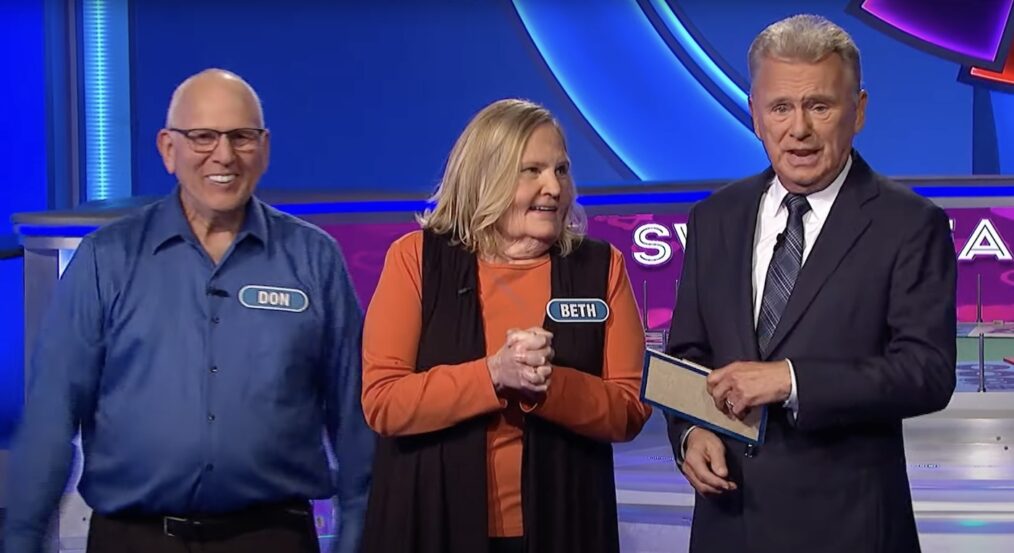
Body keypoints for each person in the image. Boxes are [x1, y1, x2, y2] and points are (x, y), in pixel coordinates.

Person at [3, 69, 373, 553]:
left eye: (241, 136)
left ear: (263, 148)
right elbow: (51, 418)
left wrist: (359, 538)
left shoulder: (313, 259)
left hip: (271, 537)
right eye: (202, 136)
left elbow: (356, 422)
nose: (224, 155)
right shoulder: (106, 259)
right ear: (167, 148)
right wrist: (23, 539)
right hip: (133, 538)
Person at [665, 15, 956, 553]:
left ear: (859, 111)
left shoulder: (910, 225)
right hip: (729, 526)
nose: (798, 129)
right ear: (755, 116)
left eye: (819, 106)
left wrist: (791, 380)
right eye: (780, 108)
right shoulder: (715, 218)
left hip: (850, 530)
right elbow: (688, 353)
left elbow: (928, 372)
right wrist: (691, 432)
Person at [359, 98, 652, 553]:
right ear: (485, 177)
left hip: (566, 523)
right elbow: (383, 401)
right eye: (531, 170)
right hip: (432, 523)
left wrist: (547, 385)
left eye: (561, 169)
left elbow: (630, 409)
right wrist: (493, 375)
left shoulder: (600, 268)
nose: (553, 187)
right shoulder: (416, 259)